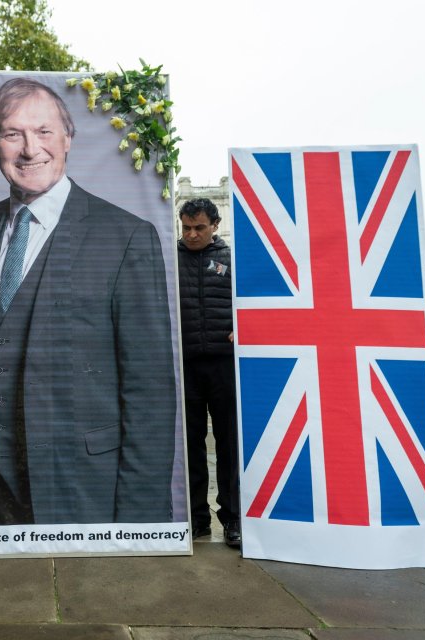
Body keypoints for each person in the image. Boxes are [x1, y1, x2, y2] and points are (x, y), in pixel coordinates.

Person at [0, 77, 176, 527]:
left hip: (76, 488)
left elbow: (150, 392)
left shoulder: (126, 236)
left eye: (44, 132)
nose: (29, 148)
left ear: (68, 139)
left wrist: (143, 520)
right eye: (12, 133)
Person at [177, 198, 241, 549]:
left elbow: (250, 303)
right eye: (186, 227)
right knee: (190, 446)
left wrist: (241, 325)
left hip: (224, 366)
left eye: (199, 227)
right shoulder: (170, 258)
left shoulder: (232, 259)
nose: (192, 234)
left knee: (229, 445)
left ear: (214, 225)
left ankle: (233, 519)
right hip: (185, 366)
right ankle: (195, 520)